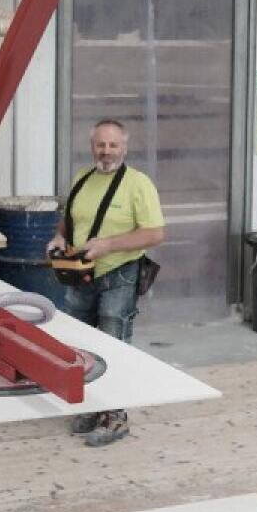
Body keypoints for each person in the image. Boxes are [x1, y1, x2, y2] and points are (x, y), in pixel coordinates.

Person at [47, 119, 166, 446]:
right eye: (101, 144)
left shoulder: (138, 184)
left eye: (113, 145)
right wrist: (59, 237)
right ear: (92, 147)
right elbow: (70, 219)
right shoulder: (82, 179)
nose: (106, 151)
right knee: (82, 344)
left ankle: (115, 418)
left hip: (120, 273)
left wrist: (109, 245)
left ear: (124, 148)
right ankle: (91, 406)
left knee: (114, 345)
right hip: (81, 274)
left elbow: (155, 233)